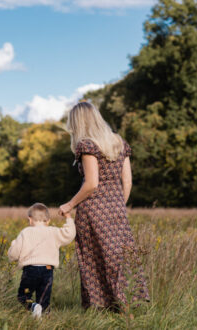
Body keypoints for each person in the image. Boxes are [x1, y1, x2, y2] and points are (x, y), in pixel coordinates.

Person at [59, 101, 149, 311]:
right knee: (119, 256)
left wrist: (70, 204)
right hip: (117, 208)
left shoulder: (87, 145)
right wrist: (118, 204)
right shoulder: (119, 142)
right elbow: (127, 182)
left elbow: (91, 183)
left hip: (93, 209)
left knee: (93, 259)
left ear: (79, 123)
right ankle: (125, 302)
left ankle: (100, 306)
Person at [8, 203, 76, 318]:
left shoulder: (26, 232)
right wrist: (68, 217)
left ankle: (34, 307)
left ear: (30, 219)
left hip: (30, 271)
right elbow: (69, 234)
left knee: (23, 296)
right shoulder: (53, 232)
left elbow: (14, 253)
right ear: (48, 220)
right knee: (44, 299)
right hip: (47, 270)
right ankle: (43, 318)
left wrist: (12, 248)